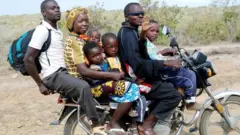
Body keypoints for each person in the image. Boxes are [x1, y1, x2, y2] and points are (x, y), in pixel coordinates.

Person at [23, 1, 105, 134]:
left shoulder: (57, 31)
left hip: (63, 73)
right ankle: (95, 124)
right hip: (53, 75)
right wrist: (40, 84)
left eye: (58, 8)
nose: (57, 10)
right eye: (52, 8)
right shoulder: (42, 30)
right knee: (82, 86)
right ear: (44, 12)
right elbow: (28, 59)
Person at [64, 7, 139, 135]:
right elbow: (84, 71)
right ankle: (113, 123)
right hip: (88, 84)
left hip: (90, 81)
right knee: (132, 88)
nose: (85, 24)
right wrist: (111, 74)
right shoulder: (74, 41)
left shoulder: (81, 39)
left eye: (86, 21)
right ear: (72, 23)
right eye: (80, 21)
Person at [117, 2, 182, 135]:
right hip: (136, 79)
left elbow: (141, 55)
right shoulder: (128, 34)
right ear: (126, 16)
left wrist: (142, 36)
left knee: (166, 84)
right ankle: (146, 125)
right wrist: (164, 64)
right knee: (173, 95)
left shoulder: (132, 31)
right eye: (136, 14)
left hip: (139, 75)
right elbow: (137, 64)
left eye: (142, 13)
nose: (140, 16)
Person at [140, 19, 200, 110]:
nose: (155, 33)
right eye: (151, 30)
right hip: (159, 72)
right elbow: (154, 59)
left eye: (157, 31)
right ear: (144, 30)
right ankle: (190, 102)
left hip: (157, 69)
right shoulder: (144, 42)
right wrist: (170, 61)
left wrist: (164, 52)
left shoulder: (149, 43)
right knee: (190, 75)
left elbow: (153, 55)